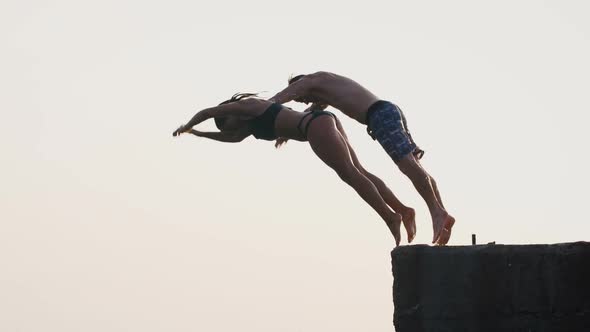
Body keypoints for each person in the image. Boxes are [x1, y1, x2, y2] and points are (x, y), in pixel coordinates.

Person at [172, 93, 418, 246]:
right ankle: (403, 210)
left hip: (313, 128)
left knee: (351, 175)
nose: (232, 130)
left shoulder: (247, 107)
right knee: (360, 172)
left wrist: (188, 125)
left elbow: (208, 112)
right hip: (320, 121)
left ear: (231, 114)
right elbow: (233, 139)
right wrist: (199, 133)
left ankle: (391, 217)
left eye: (229, 125)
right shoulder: (249, 122)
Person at [269, 71, 455, 245]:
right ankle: (440, 212)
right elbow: (307, 113)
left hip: (379, 115)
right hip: (385, 112)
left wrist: (263, 107)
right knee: (414, 165)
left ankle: (437, 212)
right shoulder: (326, 88)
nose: (304, 101)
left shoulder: (311, 80)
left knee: (407, 165)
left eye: (302, 98)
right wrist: (285, 133)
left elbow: (283, 96)